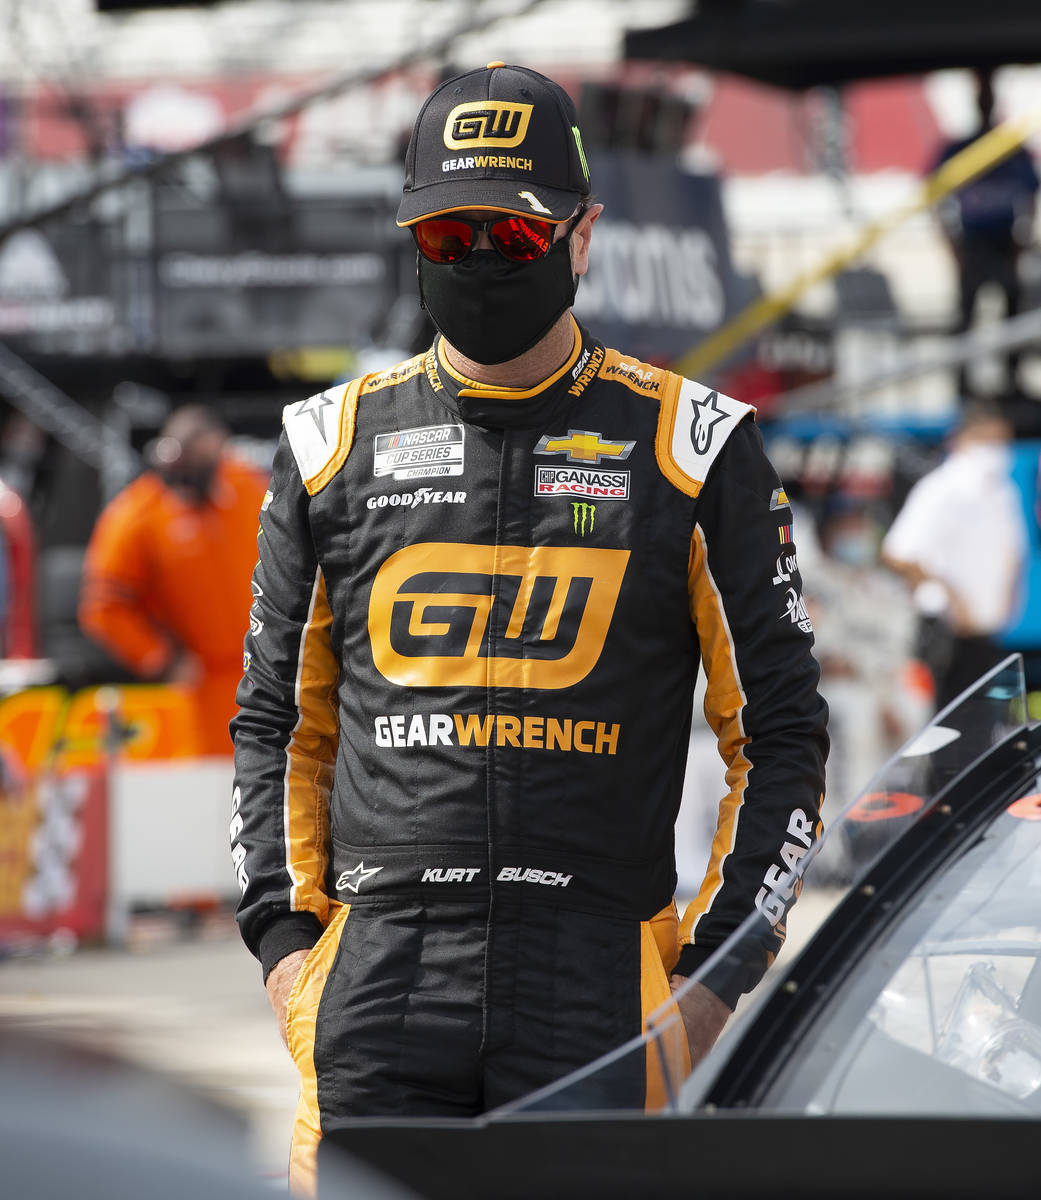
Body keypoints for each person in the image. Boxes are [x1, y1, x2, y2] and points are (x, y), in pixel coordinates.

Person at [230, 62, 828, 1192]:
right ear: (412, 237)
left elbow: (782, 736)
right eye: (447, 235)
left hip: (597, 978)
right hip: (378, 977)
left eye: (510, 234)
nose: (477, 260)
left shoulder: (694, 446)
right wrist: (288, 953)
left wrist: (713, 980)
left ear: (581, 236)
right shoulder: (327, 445)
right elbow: (277, 726)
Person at [79, 405, 267, 756]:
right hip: (200, 686)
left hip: (268, 670)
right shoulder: (137, 513)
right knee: (214, 782)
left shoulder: (248, 487)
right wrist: (161, 659)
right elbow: (104, 608)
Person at [881, 406, 1028, 710]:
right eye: (988, 441)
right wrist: (952, 596)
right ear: (961, 439)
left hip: (988, 634)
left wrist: (1010, 598)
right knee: (947, 718)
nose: (996, 451)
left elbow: (1013, 552)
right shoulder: (940, 489)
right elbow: (897, 553)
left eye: (1002, 441)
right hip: (946, 635)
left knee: (986, 719)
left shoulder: (1003, 492)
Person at [932, 69, 1040, 399]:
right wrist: (951, 244)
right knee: (966, 315)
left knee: (1012, 311)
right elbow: (933, 195)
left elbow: (1030, 194)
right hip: (973, 242)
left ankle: (1012, 383)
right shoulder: (961, 147)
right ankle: (963, 387)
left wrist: (1022, 239)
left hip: (1003, 241)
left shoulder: (1010, 148)